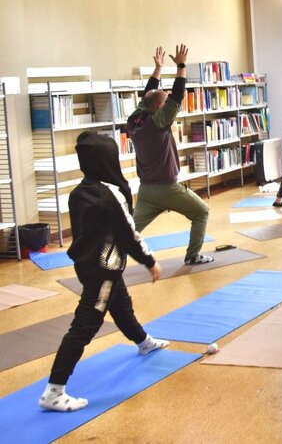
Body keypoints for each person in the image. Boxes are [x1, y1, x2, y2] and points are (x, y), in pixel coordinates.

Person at [40, 132, 169, 412]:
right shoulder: (110, 194)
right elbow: (128, 234)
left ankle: (143, 341)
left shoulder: (79, 192)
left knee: (120, 304)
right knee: (85, 325)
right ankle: (54, 391)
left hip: (88, 265)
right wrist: (149, 261)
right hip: (103, 270)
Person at [128, 45, 212, 265]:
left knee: (127, 231)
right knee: (202, 212)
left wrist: (158, 69)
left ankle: (103, 256)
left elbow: (148, 95)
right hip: (167, 188)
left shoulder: (135, 119)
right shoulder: (158, 122)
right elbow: (176, 96)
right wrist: (181, 66)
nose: (167, 105)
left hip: (146, 190)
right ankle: (192, 255)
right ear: (160, 107)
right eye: (164, 103)